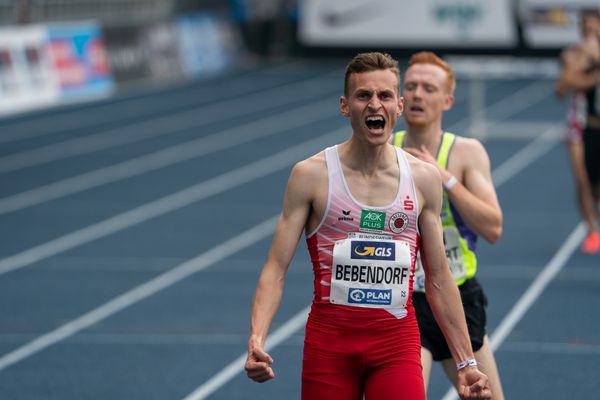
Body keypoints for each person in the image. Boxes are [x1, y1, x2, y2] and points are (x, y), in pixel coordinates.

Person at [244, 52, 492, 400]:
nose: (375, 105)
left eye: (385, 96)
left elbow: (438, 277)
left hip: (397, 345)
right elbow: (276, 267)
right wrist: (257, 338)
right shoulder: (311, 175)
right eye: (364, 96)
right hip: (329, 346)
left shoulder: (423, 179)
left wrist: (467, 363)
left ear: (399, 106)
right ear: (345, 106)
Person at [392, 51, 505, 399]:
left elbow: (493, 228)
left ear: (447, 100)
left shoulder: (466, 153)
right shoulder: (385, 150)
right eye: (410, 86)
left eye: (428, 88)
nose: (417, 95)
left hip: (456, 296)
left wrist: (446, 180)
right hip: (404, 301)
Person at [555, 8, 600, 254]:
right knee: (581, 178)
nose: (589, 30)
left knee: (595, 186)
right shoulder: (574, 53)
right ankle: (592, 229)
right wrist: (592, 75)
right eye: (586, 26)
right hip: (579, 124)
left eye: (594, 26)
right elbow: (563, 85)